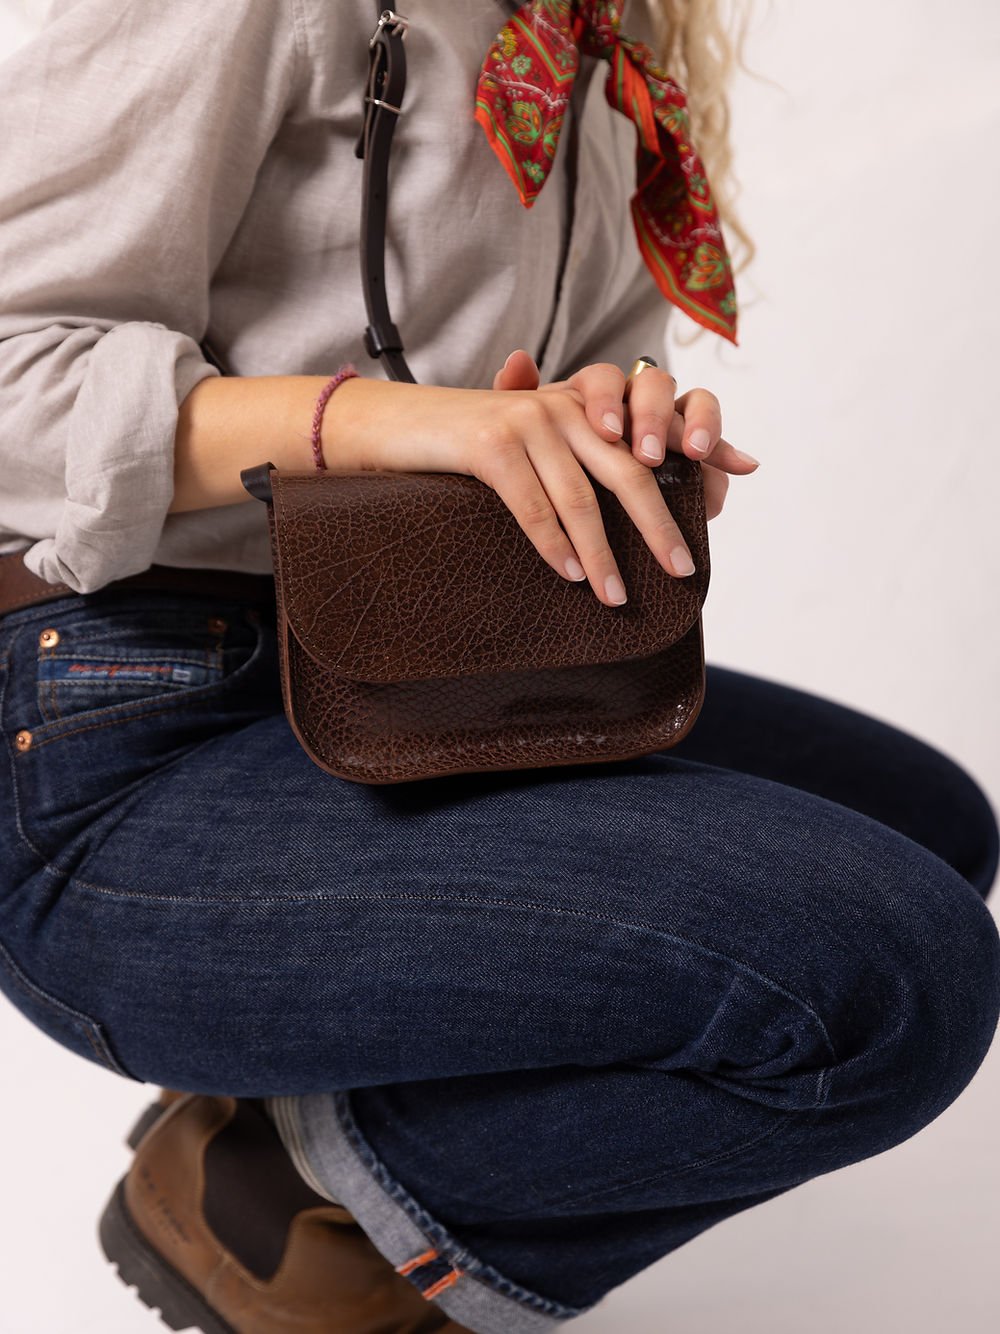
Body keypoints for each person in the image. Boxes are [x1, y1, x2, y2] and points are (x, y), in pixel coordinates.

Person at [0, 2, 997, 1332]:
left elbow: (516, 429)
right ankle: (311, 1200)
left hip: (402, 667)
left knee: (925, 829)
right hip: (121, 709)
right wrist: (380, 426)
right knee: (886, 976)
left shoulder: (594, 33)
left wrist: (616, 440)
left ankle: (319, 1156)